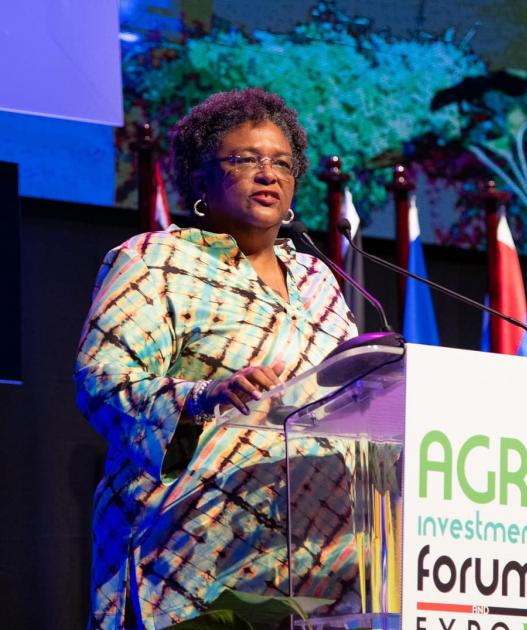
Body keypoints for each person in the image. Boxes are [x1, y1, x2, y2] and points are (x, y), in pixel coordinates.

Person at [75, 88, 359, 629]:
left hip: (321, 562)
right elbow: (102, 382)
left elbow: (354, 396)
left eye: (280, 162)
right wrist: (204, 397)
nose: (267, 173)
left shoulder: (318, 279)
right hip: (192, 557)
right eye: (245, 159)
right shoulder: (158, 259)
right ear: (201, 180)